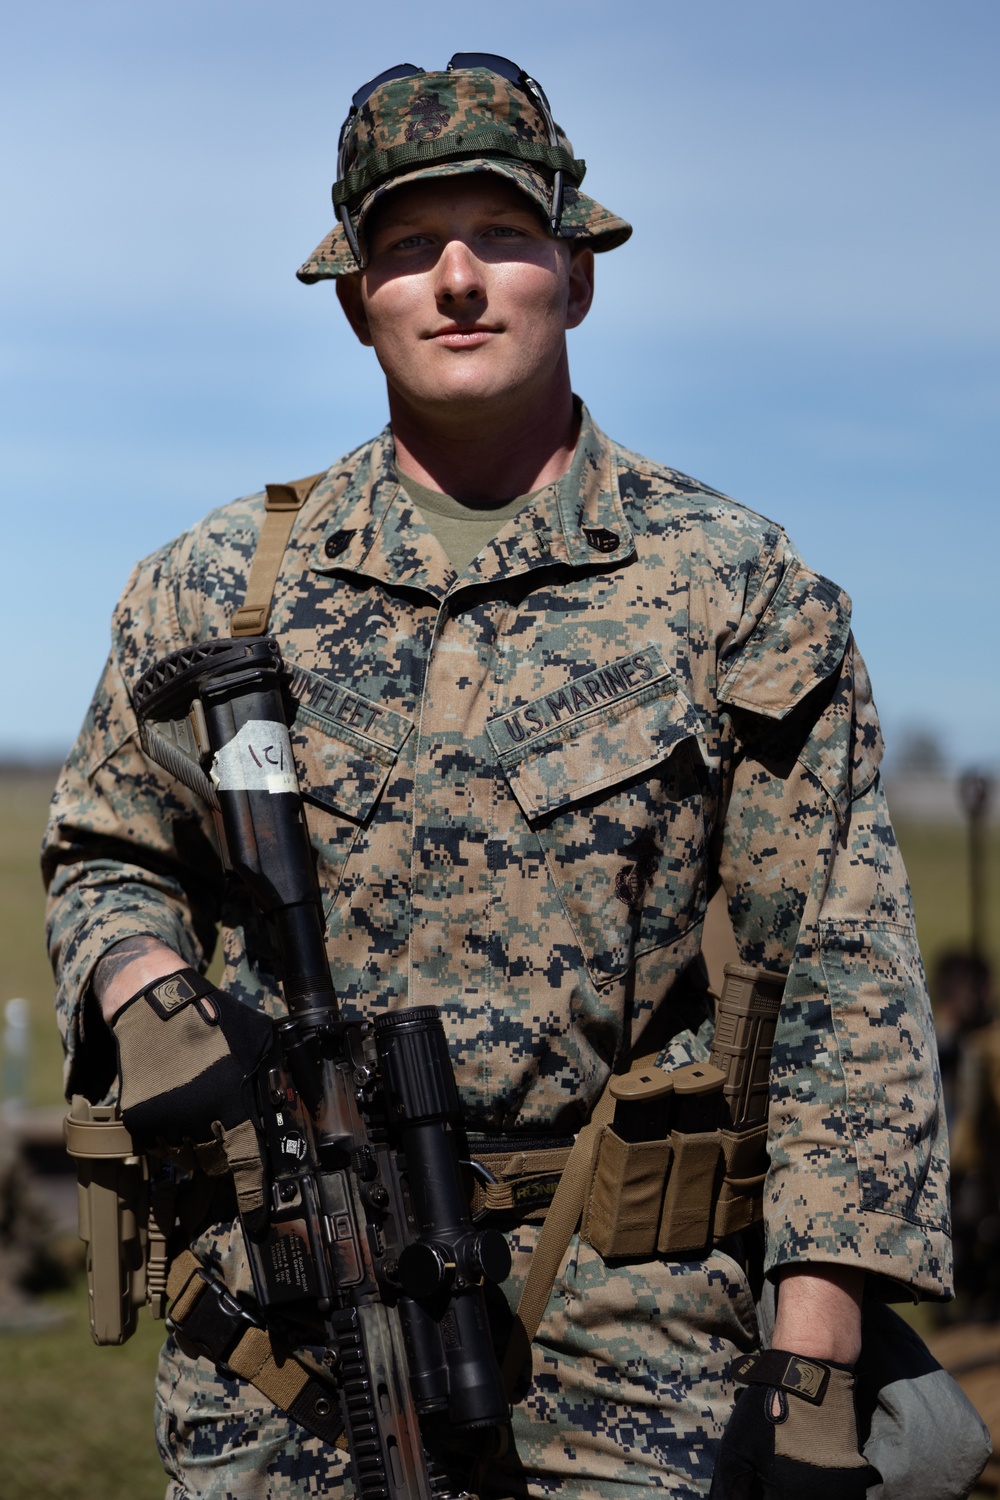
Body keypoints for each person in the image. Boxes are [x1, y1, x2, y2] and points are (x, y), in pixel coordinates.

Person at [42, 55, 951, 1500]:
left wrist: (817, 1360)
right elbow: (104, 852)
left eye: (502, 240)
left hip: (633, 1359)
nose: (456, 281)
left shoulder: (735, 588)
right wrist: (141, 994)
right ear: (358, 299)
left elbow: (842, 984)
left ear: (575, 277)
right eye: (410, 249)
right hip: (285, 1343)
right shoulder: (216, 589)